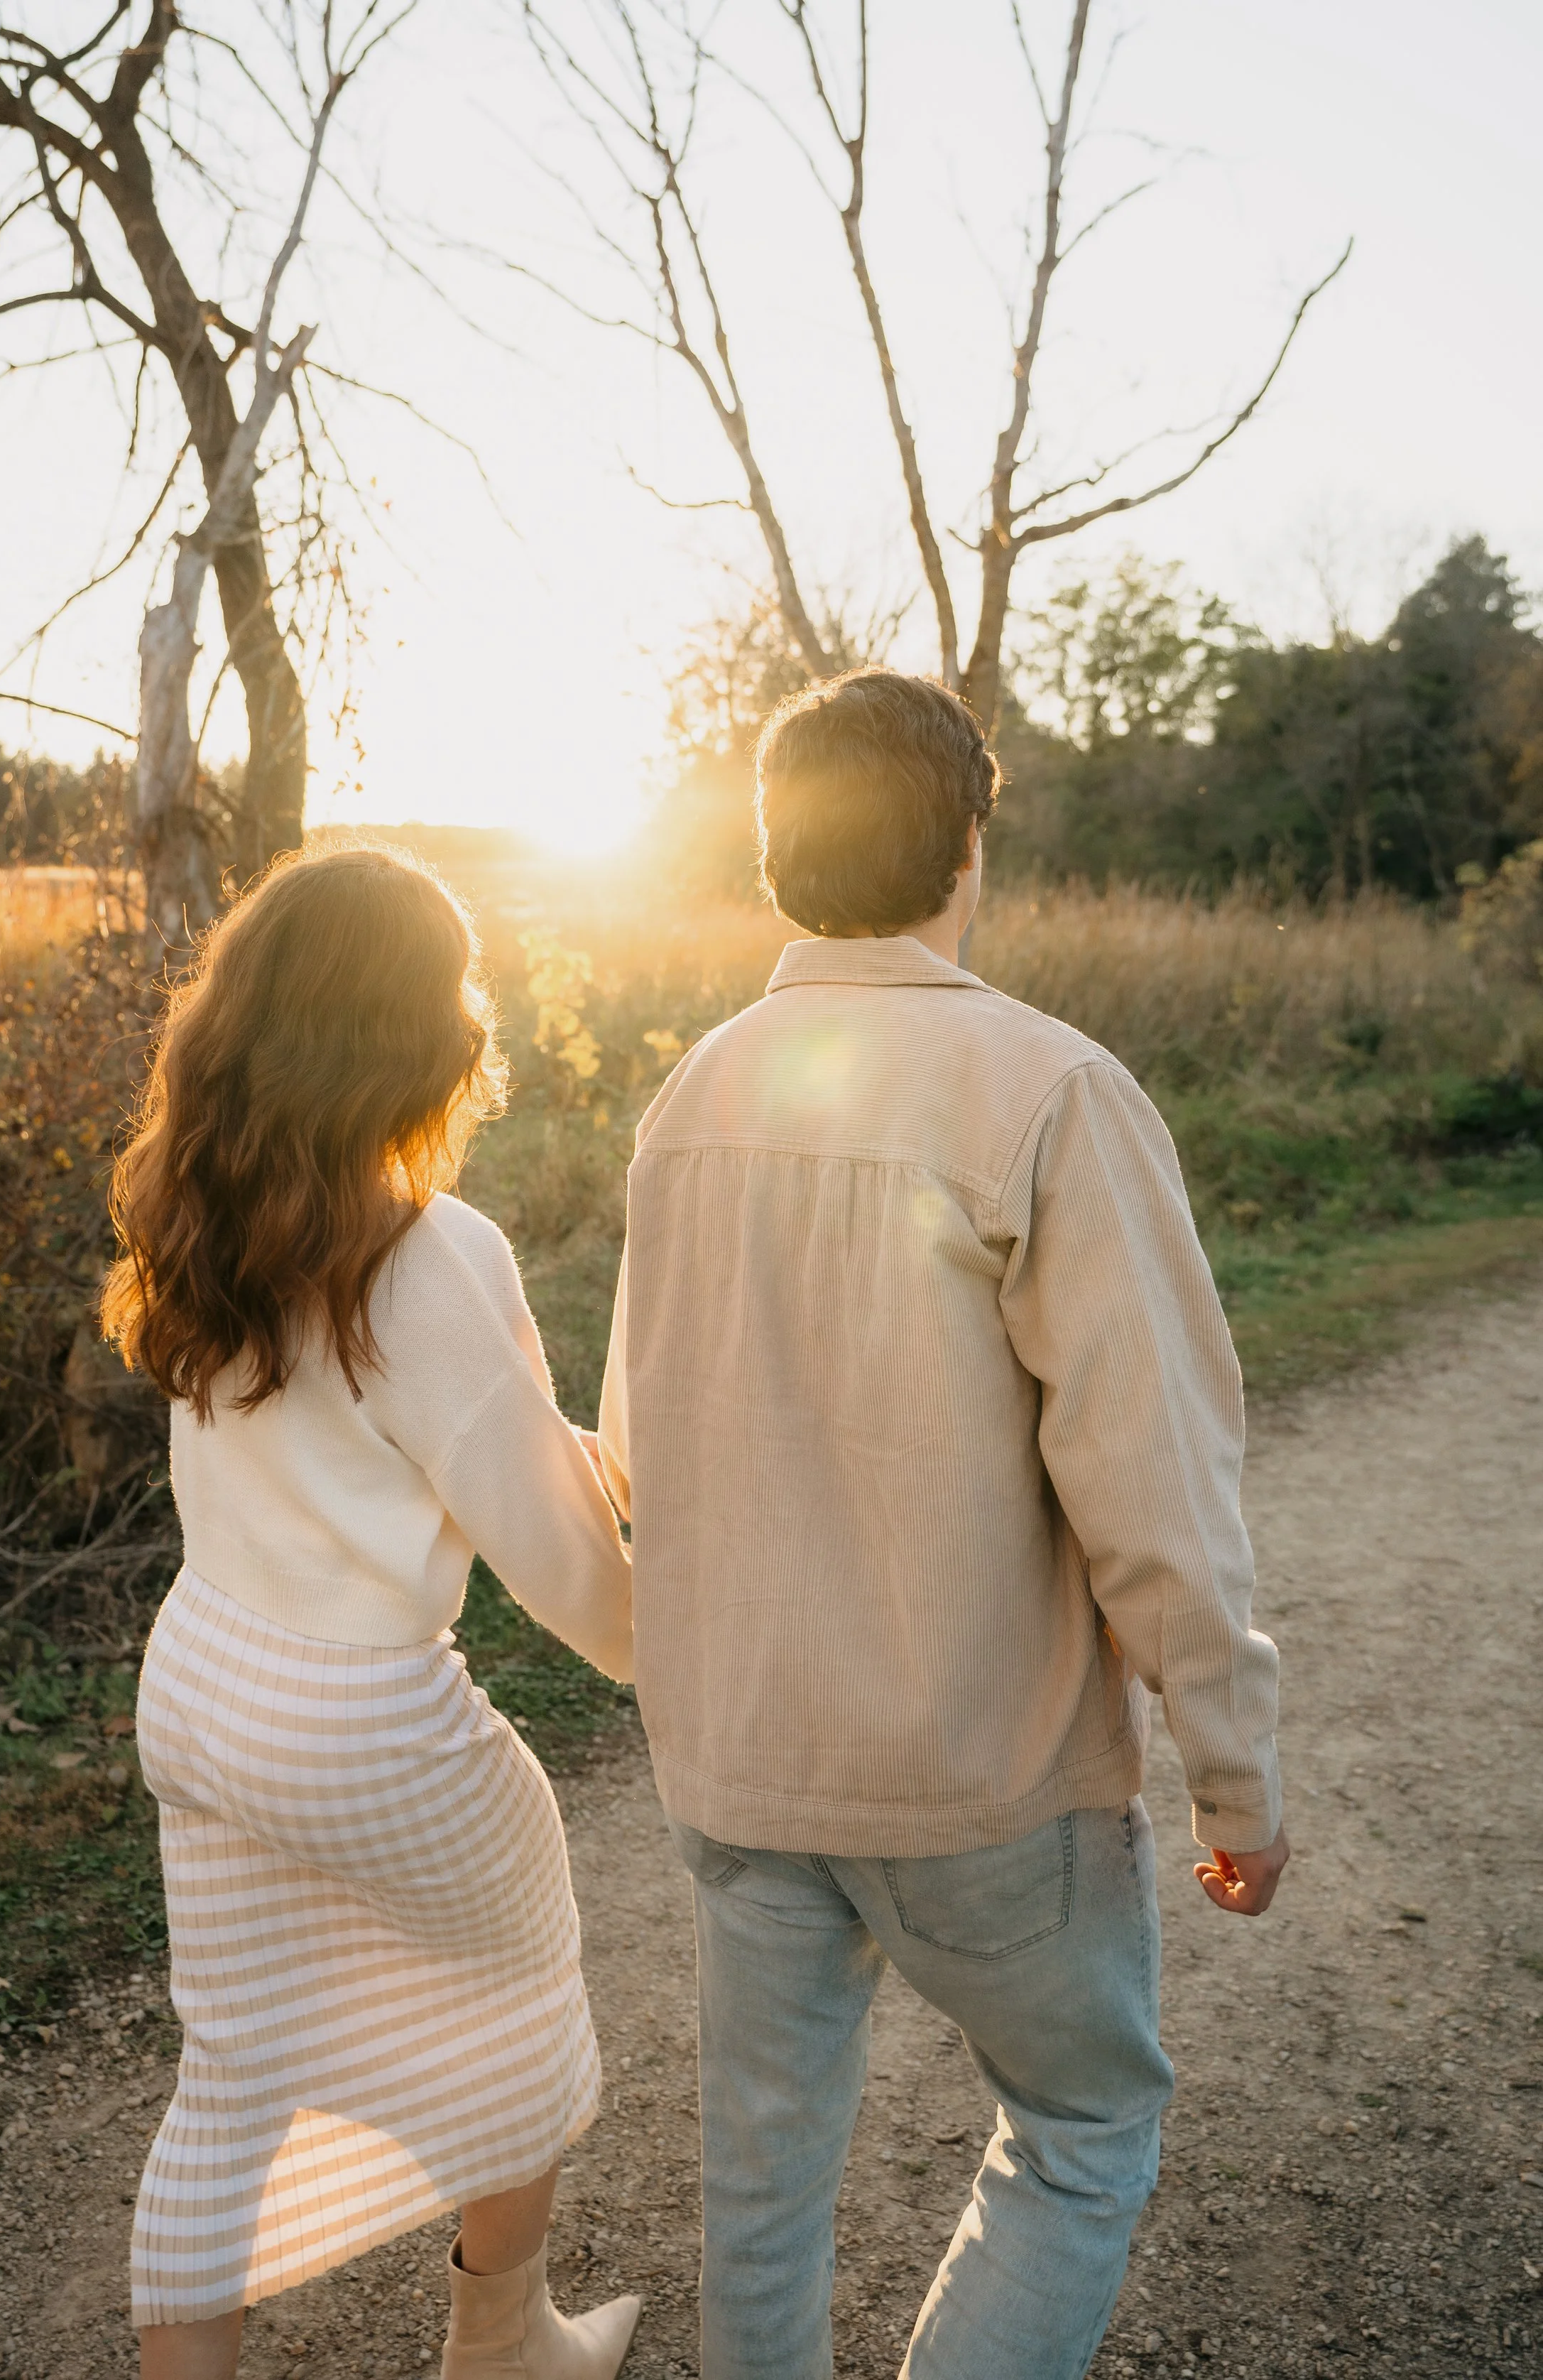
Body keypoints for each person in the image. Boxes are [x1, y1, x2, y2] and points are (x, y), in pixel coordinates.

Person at [598, 669, 1289, 2380]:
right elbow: (1157, 1486)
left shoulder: (686, 1102)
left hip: (742, 1773)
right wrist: (1232, 1768)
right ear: (965, 844)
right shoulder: (1048, 1092)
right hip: (977, 1776)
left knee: (759, 2191)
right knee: (1079, 2128)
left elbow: (632, 1450)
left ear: (777, 859)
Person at [102, 846, 641, 2380]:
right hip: (362, 1716)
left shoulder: (196, 1212)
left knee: (233, 2075)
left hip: (201, 1682)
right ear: (411, 1030)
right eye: (459, 988)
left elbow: (352, 1448)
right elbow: (555, 1553)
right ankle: (505, 2346)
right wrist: (675, 1661)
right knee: (523, 1991)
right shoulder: (429, 1250)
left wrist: (537, 1455)